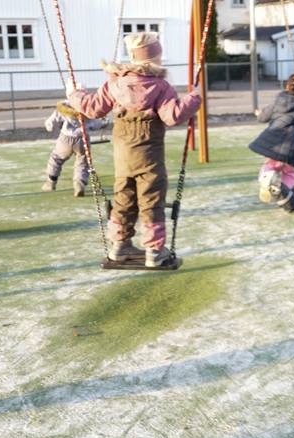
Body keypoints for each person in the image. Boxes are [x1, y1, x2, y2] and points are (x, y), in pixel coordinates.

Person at [67, 32, 200, 268]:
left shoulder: (114, 83)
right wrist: (194, 98)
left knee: (123, 200)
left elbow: (92, 108)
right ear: (154, 59)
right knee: (151, 202)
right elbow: (172, 116)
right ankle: (154, 252)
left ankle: (119, 246)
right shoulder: (160, 86)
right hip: (150, 159)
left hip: (123, 160)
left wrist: (74, 94)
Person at [249, 72, 294, 203]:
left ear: (287, 86)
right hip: (293, 148)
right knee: (290, 172)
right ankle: (285, 195)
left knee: (270, 165)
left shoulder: (277, 100)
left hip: (273, 143)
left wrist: (259, 114)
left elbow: (263, 117)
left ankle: (266, 178)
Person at [42, 102, 107, 196]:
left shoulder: (63, 108)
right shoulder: (86, 108)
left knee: (56, 159)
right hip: (82, 138)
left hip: (65, 138)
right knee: (83, 162)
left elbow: (50, 124)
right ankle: (79, 184)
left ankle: (50, 182)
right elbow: (96, 124)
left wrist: (49, 126)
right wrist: (103, 122)